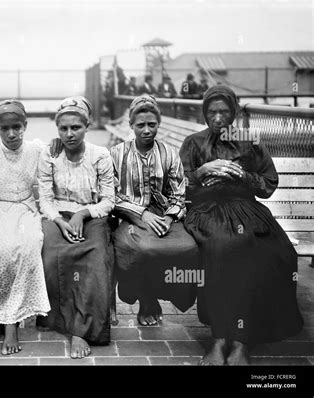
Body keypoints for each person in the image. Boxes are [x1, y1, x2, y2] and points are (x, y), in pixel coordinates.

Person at [179, 85, 304, 365]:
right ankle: (220, 337)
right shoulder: (194, 142)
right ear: (204, 113)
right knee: (225, 248)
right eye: (212, 112)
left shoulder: (249, 141)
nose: (218, 117)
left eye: (224, 111)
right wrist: (200, 173)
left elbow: (269, 184)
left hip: (246, 208)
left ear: (234, 112)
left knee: (276, 252)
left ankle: (241, 341)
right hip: (207, 209)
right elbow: (176, 188)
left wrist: (243, 176)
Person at [0, 100, 54, 355]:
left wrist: (57, 143)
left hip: (26, 210)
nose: (12, 133)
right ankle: (0, 317)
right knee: (0, 253)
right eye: (5, 128)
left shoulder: (37, 150)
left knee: (27, 248)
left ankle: (9, 324)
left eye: (17, 127)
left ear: (25, 126)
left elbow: (57, 150)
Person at [37, 96, 115, 359]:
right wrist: (59, 220)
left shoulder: (100, 155)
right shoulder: (50, 154)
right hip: (57, 213)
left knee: (94, 258)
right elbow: (45, 199)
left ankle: (81, 330)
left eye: (76, 127)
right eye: (63, 128)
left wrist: (82, 214)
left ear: (87, 126)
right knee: (50, 254)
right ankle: (54, 319)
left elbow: (108, 200)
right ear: (57, 129)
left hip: (92, 214)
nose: (69, 134)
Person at [111, 95, 199, 326]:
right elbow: (110, 194)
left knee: (187, 247)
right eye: (140, 125)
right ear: (131, 126)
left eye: (152, 124)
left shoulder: (169, 153)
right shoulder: (117, 153)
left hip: (164, 215)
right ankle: (146, 298)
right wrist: (141, 214)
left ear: (158, 124)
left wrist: (169, 218)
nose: (147, 130)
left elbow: (179, 192)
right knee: (143, 248)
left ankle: (164, 294)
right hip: (128, 216)